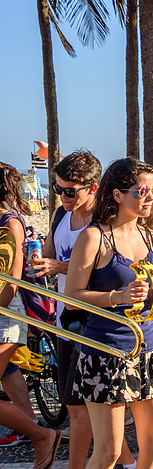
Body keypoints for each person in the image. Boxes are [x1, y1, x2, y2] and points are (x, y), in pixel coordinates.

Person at [65, 157, 153, 469]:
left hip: (147, 350)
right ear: (117, 195)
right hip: (105, 351)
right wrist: (117, 296)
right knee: (109, 452)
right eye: (144, 191)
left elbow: (148, 295)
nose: (152, 197)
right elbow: (72, 298)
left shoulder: (149, 235)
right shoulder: (94, 237)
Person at [27, 151, 137, 469]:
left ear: (93, 187)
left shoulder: (102, 225)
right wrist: (36, 258)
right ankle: (127, 462)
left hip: (93, 324)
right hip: (67, 320)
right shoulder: (62, 215)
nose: (63, 196)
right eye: (58, 188)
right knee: (84, 407)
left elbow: (105, 273)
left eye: (70, 190)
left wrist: (59, 266)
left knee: (80, 408)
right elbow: (47, 254)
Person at [0, 163, 62, 469]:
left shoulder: (9, 223)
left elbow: (13, 279)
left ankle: (39, 435)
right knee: (7, 373)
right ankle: (35, 432)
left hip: (7, 312)